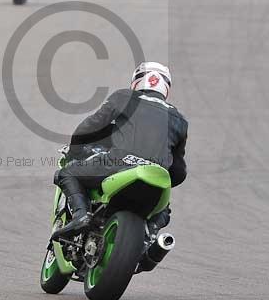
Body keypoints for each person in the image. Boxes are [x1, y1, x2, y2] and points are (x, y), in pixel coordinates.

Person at [50, 62, 188, 241]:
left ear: (137, 82)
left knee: (67, 173)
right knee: (164, 207)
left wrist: (74, 155)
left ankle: (81, 215)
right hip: (156, 177)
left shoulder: (125, 97)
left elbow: (87, 128)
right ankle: (151, 235)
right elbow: (179, 171)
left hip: (119, 163)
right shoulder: (179, 120)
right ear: (166, 87)